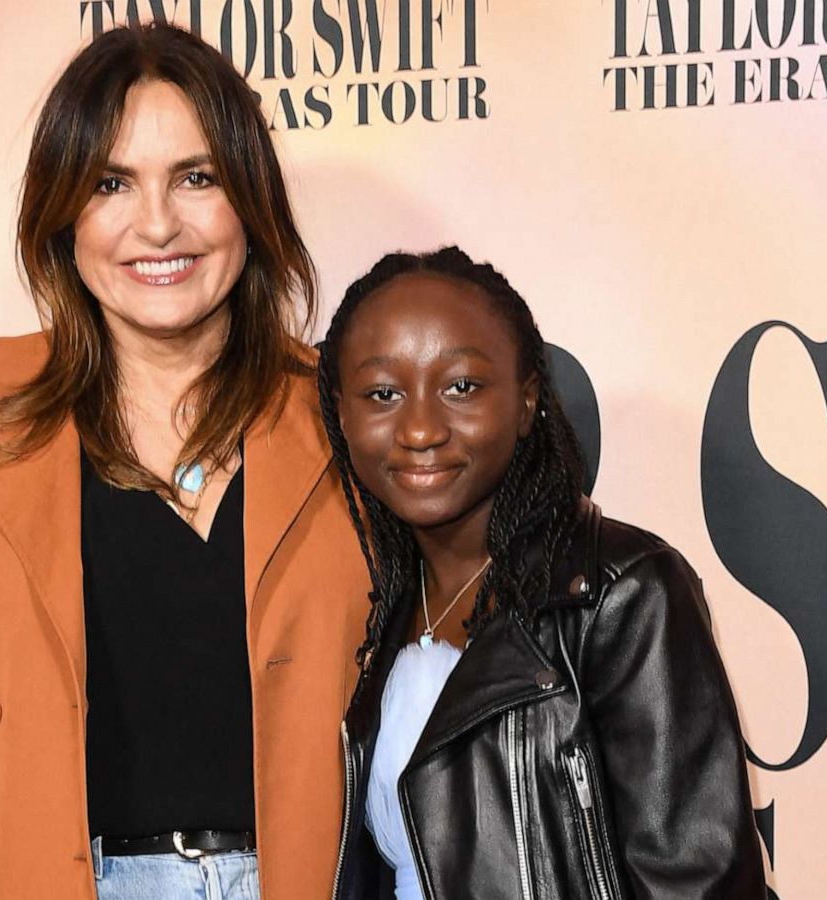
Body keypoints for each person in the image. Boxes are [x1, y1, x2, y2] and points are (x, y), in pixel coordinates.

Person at [0, 23, 371, 900]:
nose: (157, 224)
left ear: (250, 202)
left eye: (197, 177)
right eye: (112, 183)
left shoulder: (347, 428)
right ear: (63, 215)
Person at [318, 247, 767, 899]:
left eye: (460, 387)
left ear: (527, 401)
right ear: (341, 413)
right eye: (383, 393)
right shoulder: (381, 610)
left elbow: (698, 880)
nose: (419, 429)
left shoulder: (619, 593)